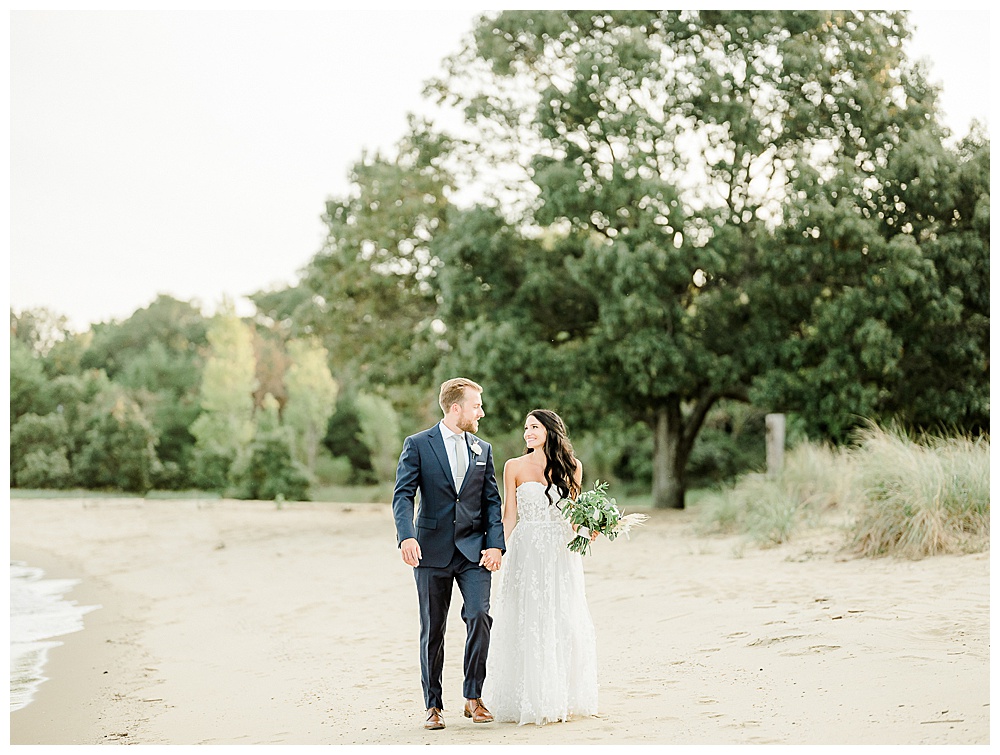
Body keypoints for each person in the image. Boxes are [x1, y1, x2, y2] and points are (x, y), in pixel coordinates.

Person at [391, 377, 506, 731]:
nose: (481, 413)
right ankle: (433, 705)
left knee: (479, 615)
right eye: (476, 406)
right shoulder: (418, 445)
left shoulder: (482, 449)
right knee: (433, 629)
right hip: (430, 551)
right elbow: (403, 495)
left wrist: (495, 544)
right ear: (456, 408)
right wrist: (406, 537)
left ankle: (473, 697)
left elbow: (491, 501)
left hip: (473, 552)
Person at [482, 408, 599, 725]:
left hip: (561, 550)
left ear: (550, 430)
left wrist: (592, 529)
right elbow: (509, 516)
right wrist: (496, 548)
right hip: (527, 549)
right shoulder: (513, 466)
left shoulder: (571, 466)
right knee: (528, 616)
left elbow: (574, 516)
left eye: (534, 426)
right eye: (525, 428)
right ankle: (529, 697)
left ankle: (561, 694)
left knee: (562, 615)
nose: (527, 432)